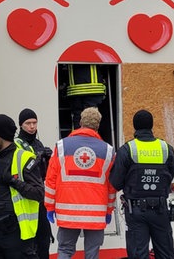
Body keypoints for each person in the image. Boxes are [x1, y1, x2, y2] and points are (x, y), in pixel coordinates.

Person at [45, 107, 116, 259]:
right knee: (92, 253)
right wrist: (109, 210)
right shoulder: (108, 151)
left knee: (65, 250)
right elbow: (111, 186)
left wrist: (50, 206)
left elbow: (51, 179)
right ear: (97, 126)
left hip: (68, 212)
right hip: (96, 214)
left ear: (80, 122)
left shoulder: (62, 146)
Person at [109, 110, 174, 259]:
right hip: (161, 209)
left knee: (138, 254)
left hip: (136, 210)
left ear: (134, 127)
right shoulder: (166, 148)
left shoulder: (128, 149)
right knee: (165, 253)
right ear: (152, 126)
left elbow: (116, 182)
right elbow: (170, 174)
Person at [0, 114, 44, 259]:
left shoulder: (23, 158)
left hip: (16, 235)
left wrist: (13, 181)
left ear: (3, 135)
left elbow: (38, 193)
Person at [15, 108, 53, 259]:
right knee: (29, 241)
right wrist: (38, 158)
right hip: (25, 197)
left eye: (34, 123)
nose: (32, 126)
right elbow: (22, 169)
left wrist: (48, 159)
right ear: (21, 125)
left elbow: (45, 173)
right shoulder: (17, 144)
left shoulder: (38, 143)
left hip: (40, 196)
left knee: (44, 237)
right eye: (28, 123)